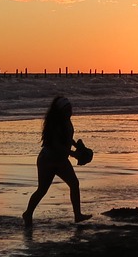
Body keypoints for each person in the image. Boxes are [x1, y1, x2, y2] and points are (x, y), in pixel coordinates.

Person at [22, 96, 91, 228]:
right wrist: (73, 154)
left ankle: (78, 215)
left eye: (70, 109)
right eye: (68, 109)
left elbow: (67, 138)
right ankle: (28, 213)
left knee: (73, 184)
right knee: (42, 190)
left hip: (59, 159)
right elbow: (56, 145)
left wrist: (76, 145)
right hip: (48, 159)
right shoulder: (56, 125)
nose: (71, 111)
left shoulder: (66, 122)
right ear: (62, 111)